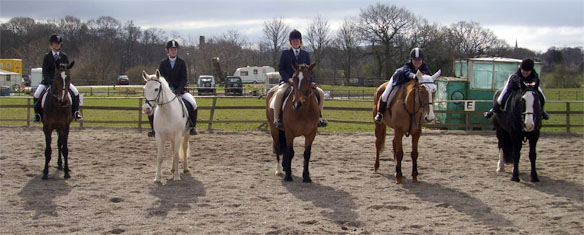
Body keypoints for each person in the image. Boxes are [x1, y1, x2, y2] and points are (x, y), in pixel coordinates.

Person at [272, 29, 328, 128]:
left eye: (297, 40)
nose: (295, 42)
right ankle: (277, 119)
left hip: (303, 83)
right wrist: (288, 78)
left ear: (300, 41)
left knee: (321, 93)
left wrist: (312, 82)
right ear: (290, 42)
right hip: (288, 81)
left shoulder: (305, 54)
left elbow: (309, 70)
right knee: (280, 94)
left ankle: (319, 117)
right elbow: (281, 68)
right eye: (293, 41)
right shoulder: (285, 53)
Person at [147, 39, 198, 137]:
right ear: (168, 51)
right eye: (171, 49)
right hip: (165, 92)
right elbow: (160, 79)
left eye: (175, 49)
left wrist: (179, 89)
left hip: (180, 91)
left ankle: (192, 126)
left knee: (193, 103)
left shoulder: (181, 62)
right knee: (152, 107)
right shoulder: (163, 63)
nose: (173, 51)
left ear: (177, 50)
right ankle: (153, 129)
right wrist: (167, 89)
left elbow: (184, 78)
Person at [33, 34, 82, 122]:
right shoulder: (47, 56)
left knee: (76, 92)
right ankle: (38, 115)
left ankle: (75, 112)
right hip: (49, 81)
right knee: (36, 94)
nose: (57, 45)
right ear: (51, 44)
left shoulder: (64, 56)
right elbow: (45, 71)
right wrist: (50, 81)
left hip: (62, 81)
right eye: (55, 43)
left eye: (58, 43)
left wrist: (66, 81)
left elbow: (67, 70)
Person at [374, 48, 431, 123]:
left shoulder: (424, 66)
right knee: (385, 95)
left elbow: (428, 76)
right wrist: (414, 76)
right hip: (398, 80)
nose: (417, 62)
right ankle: (380, 113)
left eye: (419, 60)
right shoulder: (407, 66)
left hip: (411, 84)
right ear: (411, 59)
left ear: (422, 60)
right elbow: (408, 73)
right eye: (415, 60)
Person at [484, 58, 549, 120]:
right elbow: (515, 83)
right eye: (524, 70)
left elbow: (536, 81)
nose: (526, 73)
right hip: (513, 86)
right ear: (521, 69)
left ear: (531, 70)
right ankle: (493, 110)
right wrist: (522, 85)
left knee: (542, 96)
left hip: (529, 87)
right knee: (501, 97)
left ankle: (542, 111)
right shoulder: (516, 76)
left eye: (528, 71)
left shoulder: (534, 75)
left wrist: (533, 84)